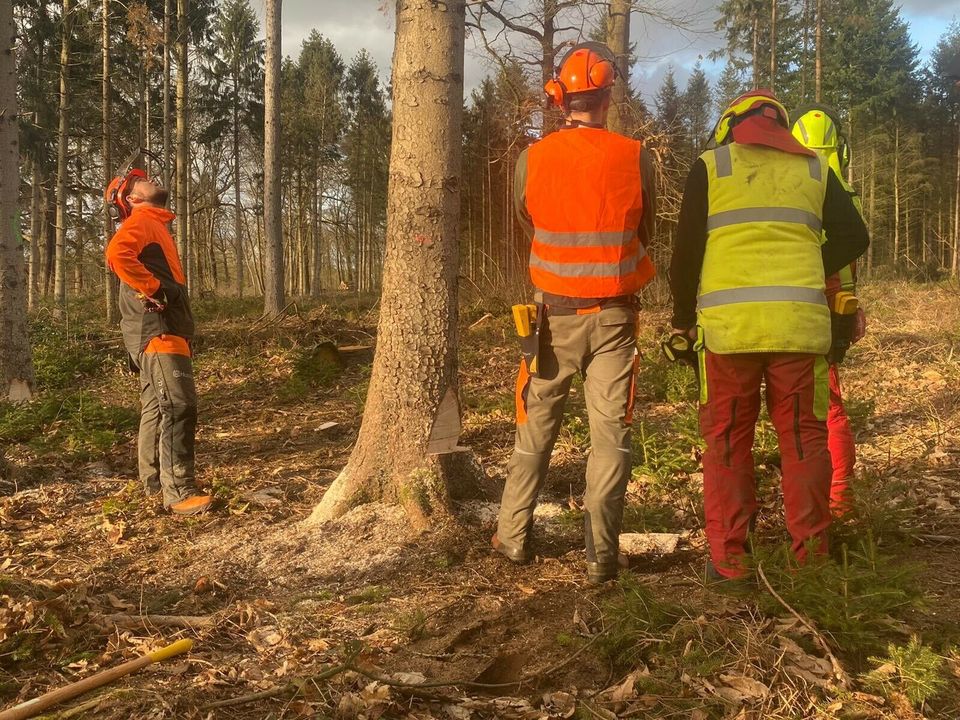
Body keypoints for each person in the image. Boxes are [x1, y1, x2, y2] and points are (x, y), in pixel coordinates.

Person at [669, 90, 869, 582]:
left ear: (731, 125)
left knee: (728, 444)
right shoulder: (814, 171)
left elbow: (686, 251)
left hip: (728, 334)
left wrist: (680, 318)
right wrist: (805, 268)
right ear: (781, 124)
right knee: (803, 442)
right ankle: (811, 561)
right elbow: (856, 237)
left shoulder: (712, 167)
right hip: (799, 330)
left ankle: (730, 562)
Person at [493, 42, 657, 584]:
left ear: (562, 99)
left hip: (552, 318)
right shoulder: (636, 157)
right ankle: (601, 556)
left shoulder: (530, 159)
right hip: (615, 317)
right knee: (610, 435)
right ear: (608, 96)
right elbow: (646, 229)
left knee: (535, 425)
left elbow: (526, 223)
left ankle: (512, 536)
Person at [105, 162, 211, 515]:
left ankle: (152, 484)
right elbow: (117, 254)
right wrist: (154, 289)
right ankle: (179, 492)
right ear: (132, 198)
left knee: (155, 407)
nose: (151, 179)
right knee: (179, 406)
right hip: (159, 330)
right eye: (141, 181)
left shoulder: (154, 225)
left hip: (159, 329)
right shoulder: (142, 221)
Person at [791, 104, 866, 514]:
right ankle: (838, 499)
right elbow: (851, 254)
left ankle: (832, 503)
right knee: (829, 404)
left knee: (813, 409)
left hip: (802, 304)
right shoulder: (842, 189)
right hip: (836, 307)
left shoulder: (796, 184)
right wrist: (854, 307)